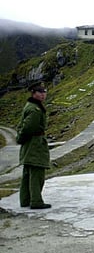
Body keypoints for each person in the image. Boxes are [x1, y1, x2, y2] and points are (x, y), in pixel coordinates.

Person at [16, 81, 51, 209]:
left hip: (30, 143)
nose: (43, 95)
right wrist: (20, 138)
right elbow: (28, 127)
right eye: (40, 92)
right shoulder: (35, 109)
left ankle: (25, 200)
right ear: (34, 93)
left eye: (44, 92)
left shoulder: (31, 105)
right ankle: (36, 201)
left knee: (27, 172)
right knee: (37, 172)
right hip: (35, 143)